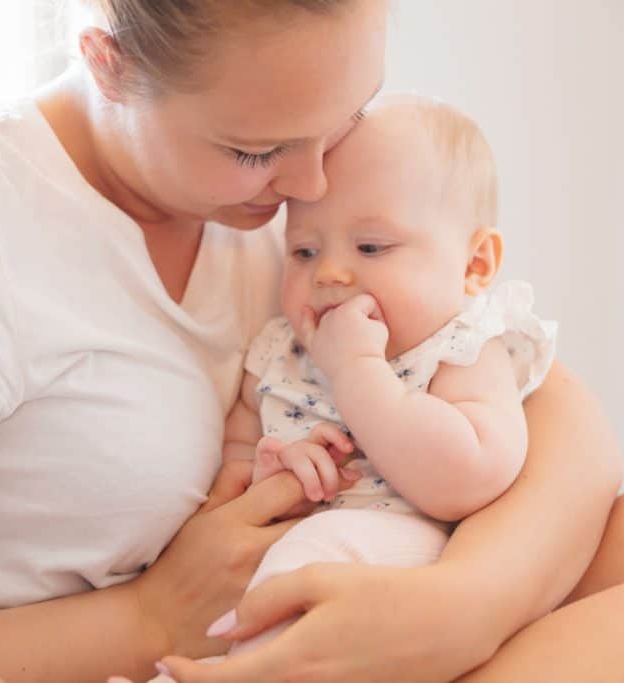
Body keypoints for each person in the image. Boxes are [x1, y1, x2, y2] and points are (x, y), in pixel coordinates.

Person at [0, 2, 624, 682]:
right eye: (258, 149)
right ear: (106, 62)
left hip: (350, 584)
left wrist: (462, 603)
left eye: (344, 118)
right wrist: (144, 621)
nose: (313, 186)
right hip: (171, 655)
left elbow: (549, 406)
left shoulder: (289, 191)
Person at [208, 96, 559, 661]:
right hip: (286, 546)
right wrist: (267, 469)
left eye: (371, 247)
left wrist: (359, 373)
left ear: (475, 266)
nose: (330, 273)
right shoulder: (282, 349)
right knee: (270, 570)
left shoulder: (458, 350)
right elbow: (236, 455)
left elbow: (468, 477)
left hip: (406, 554)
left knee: (312, 557)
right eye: (303, 250)